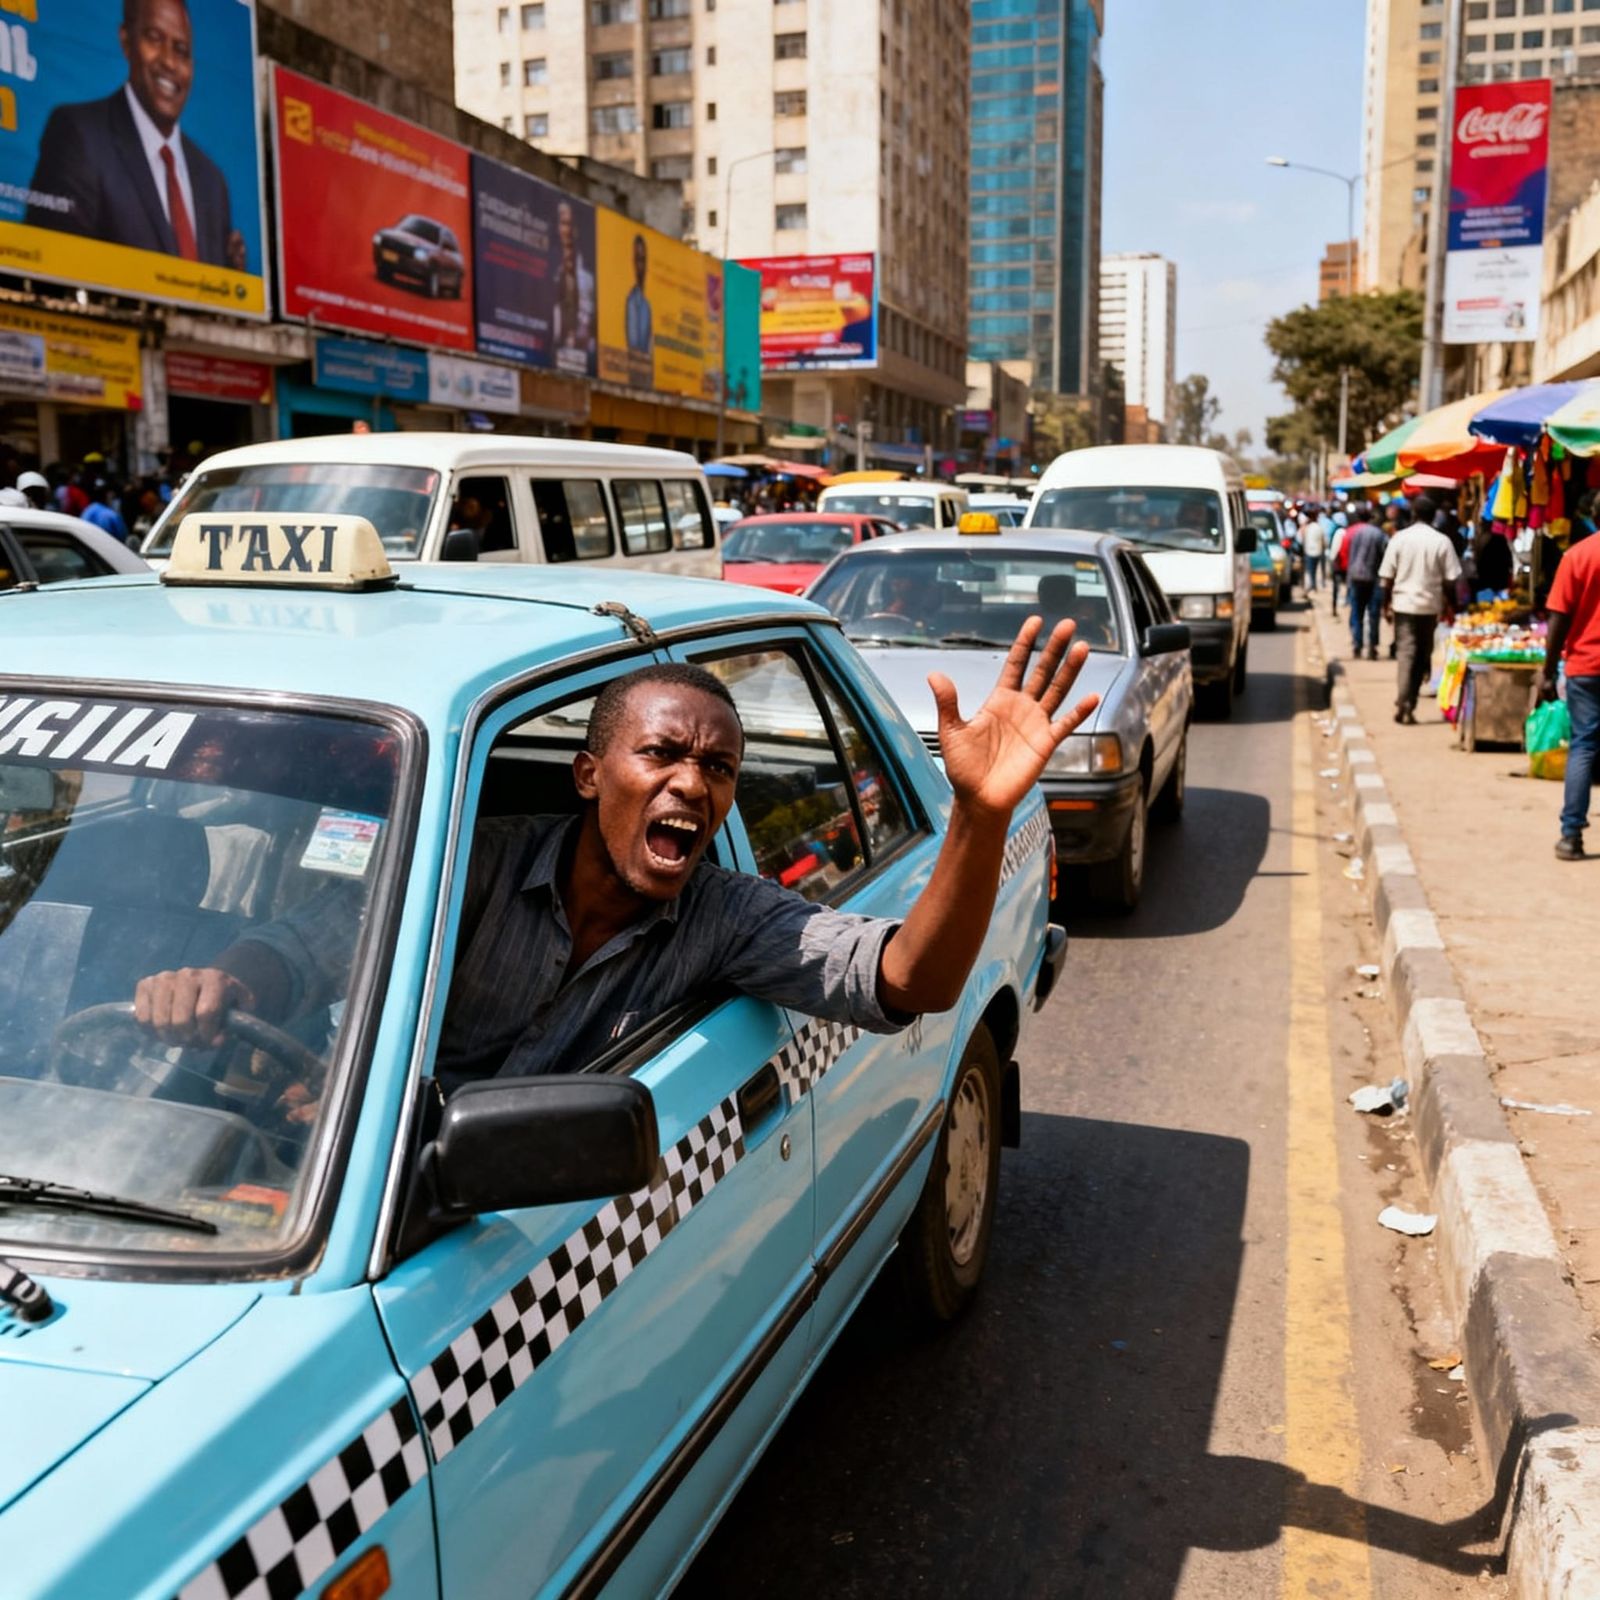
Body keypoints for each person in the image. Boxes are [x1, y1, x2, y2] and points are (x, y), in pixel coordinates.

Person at [133, 628, 1100, 1105]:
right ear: (591, 776)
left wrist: (977, 814)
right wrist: (223, 982)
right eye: (663, 755)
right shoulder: (472, 868)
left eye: (719, 767)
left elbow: (911, 980)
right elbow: (307, 947)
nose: (693, 783)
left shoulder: (727, 916)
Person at [26, 0, 248, 272]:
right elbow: (51, 267)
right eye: (154, 39)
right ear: (126, 41)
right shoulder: (79, 134)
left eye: (182, 51)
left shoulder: (212, 183)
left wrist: (233, 280)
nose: (169, 61)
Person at [1538, 532, 1600, 860]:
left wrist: (1546, 670)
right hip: (1585, 666)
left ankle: (1571, 835)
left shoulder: (1577, 555)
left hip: (1586, 666)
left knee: (1584, 746)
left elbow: (1558, 616)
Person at [1379, 510, 1462, 725]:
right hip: (1429, 607)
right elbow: (1451, 580)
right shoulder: (1441, 541)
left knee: (1406, 654)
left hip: (1403, 606)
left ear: (1412, 514)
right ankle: (1408, 702)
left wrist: (1385, 605)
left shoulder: (1399, 538)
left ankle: (1404, 702)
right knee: (1422, 655)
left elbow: (1387, 577)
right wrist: (1452, 605)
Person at [552, 200, 596, 369]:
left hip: (579, 358)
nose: (567, 231)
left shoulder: (587, 278)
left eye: (571, 225)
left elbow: (589, 324)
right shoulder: (549, 268)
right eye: (563, 224)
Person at [1344, 510, 1387, 658]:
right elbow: (1384, 557)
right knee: (1373, 614)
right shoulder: (1380, 535)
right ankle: (1372, 646)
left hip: (1356, 577)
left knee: (1357, 613)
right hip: (1373, 578)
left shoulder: (1357, 533)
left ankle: (1357, 645)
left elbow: (1352, 557)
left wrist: (1349, 581)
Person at [625, 234, 653, 357]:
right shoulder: (632, 302)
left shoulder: (647, 304)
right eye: (638, 260)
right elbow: (634, 347)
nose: (641, 267)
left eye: (643, 260)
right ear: (633, 262)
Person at [80, 480, 133, 545]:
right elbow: (124, 538)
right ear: (108, 494)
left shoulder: (87, 511)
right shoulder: (111, 515)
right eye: (112, 494)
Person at [1301, 513, 1326, 593]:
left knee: (1311, 570)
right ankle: (1314, 585)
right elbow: (1323, 541)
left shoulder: (1308, 528)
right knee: (1315, 570)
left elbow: (1303, 538)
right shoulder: (1319, 527)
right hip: (1318, 551)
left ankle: (1313, 585)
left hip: (1309, 551)